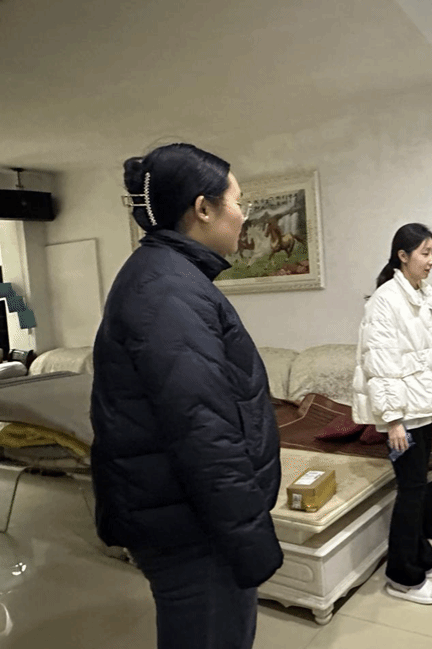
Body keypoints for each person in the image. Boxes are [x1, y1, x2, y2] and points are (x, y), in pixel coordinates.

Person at [90, 143, 283, 649]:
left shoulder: (170, 276)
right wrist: (250, 539)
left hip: (190, 517)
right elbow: (203, 429)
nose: (244, 215)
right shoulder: (167, 290)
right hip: (193, 529)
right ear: (203, 208)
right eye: (238, 202)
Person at [352, 223, 432, 605]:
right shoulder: (385, 301)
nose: (431, 261)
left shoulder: (423, 293)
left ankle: (422, 556)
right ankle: (401, 576)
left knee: (418, 487)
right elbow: (379, 364)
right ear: (403, 255)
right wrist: (393, 419)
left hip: (424, 406)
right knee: (410, 492)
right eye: (425, 253)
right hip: (403, 416)